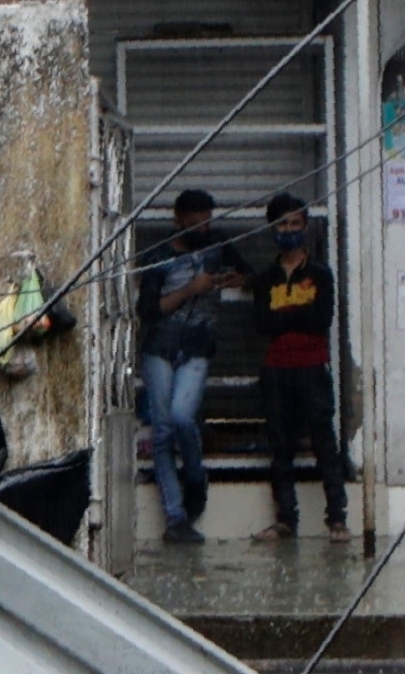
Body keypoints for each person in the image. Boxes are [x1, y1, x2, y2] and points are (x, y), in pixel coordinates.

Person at [136, 186, 244, 544]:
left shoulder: (218, 245)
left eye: (207, 223)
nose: (202, 230)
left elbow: (249, 275)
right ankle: (175, 517)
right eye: (195, 224)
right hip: (160, 348)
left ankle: (195, 477)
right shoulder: (160, 256)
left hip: (197, 347)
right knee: (163, 432)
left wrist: (231, 279)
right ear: (178, 220)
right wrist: (192, 289)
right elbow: (149, 311)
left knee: (182, 417)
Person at [249, 192, 348, 539]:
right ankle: (285, 520)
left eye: (294, 223)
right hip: (276, 369)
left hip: (311, 367)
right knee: (281, 446)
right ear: (272, 228)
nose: (288, 229)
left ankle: (337, 518)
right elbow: (263, 324)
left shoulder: (320, 274)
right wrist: (295, 315)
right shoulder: (266, 279)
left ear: (305, 227)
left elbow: (321, 318)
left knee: (324, 442)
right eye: (282, 224)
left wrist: (285, 315)